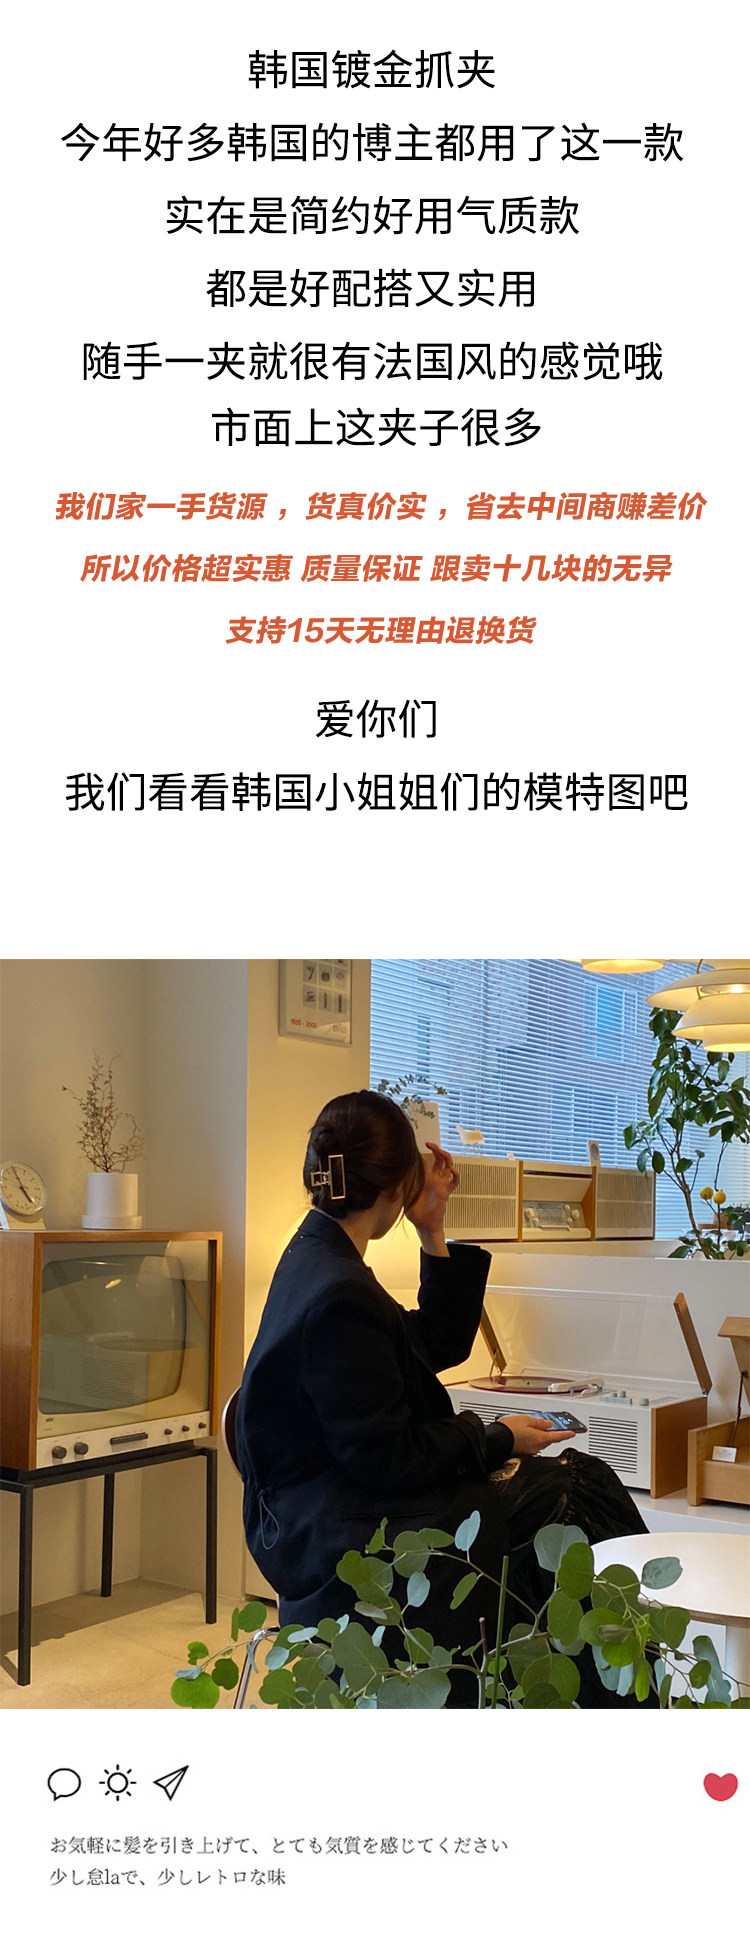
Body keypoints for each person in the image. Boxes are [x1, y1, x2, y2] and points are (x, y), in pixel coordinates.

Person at [235, 1089, 653, 1707]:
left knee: (561, 1491)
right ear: (398, 1184)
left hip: (322, 1504)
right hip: (346, 1530)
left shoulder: (314, 1254)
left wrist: (433, 1227)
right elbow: (389, 1458)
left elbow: (428, 1343)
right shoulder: (338, 1291)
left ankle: (583, 1692)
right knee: (575, 1492)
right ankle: (620, 1696)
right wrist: (498, 1437)